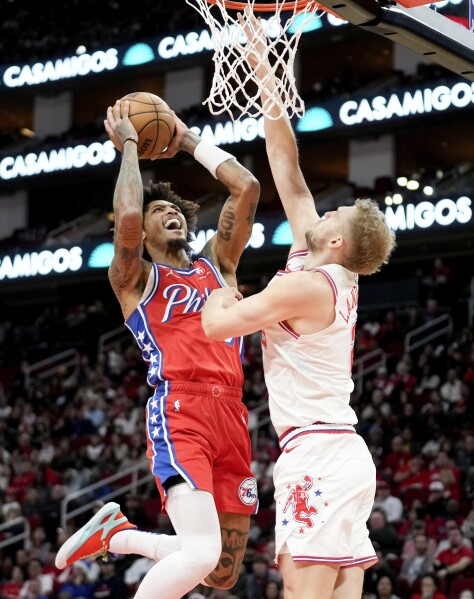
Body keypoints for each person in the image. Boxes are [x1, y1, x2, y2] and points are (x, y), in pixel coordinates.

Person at [201, 10, 396, 599]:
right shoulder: (327, 269)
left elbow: (217, 325)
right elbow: (288, 171)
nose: (325, 209)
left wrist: (216, 269)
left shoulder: (304, 286)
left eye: (335, 215)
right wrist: (263, 66)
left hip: (316, 453)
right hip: (341, 455)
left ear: (335, 240)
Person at [55, 99, 261, 599]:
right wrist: (129, 145)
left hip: (233, 411)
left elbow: (247, 187)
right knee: (202, 553)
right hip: (180, 407)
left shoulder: (219, 266)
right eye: (159, 212)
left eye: (174, 209)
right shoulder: (135, 278)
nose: (170, 213)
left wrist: (186, 138)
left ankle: (118, 536)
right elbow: (127, 212)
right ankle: (118, 537)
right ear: (141, 234)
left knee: (220, 572)